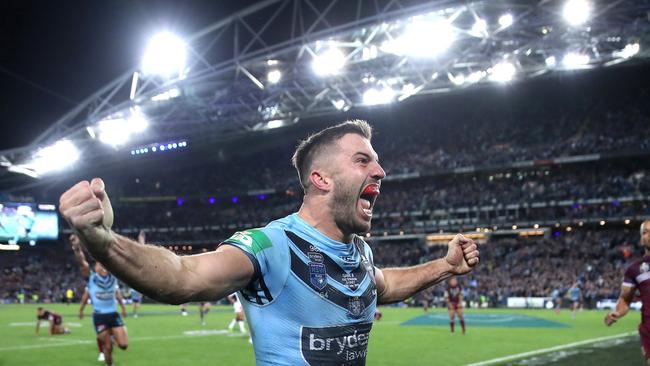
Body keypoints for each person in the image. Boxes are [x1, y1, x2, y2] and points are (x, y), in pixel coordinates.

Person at [59, 120, 480, 365]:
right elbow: (183, 277)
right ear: (321, 179)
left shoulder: (359, 252)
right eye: (362, 160)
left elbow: (383, 285)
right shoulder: (272, 245)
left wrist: (445, 265)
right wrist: (102, 240)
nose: (381, 171)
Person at [71, 234, 128, 366]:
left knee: (124, 345)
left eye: (105, 265)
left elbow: (118, 294)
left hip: (113, 315)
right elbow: (82, 262)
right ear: (95, 267)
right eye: (99, 265)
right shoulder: (91, 278)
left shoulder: (113, 277)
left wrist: (123, 307)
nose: (102, 267)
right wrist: (77, 248)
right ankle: (109, 364)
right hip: (99, 317)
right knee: (107, 347)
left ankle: (114, 335)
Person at [605, 220, 650, 364]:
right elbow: (625, 299)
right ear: (641, 239)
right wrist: (617, 312)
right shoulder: (634, 269)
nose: (649, 235)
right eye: (645, 232)